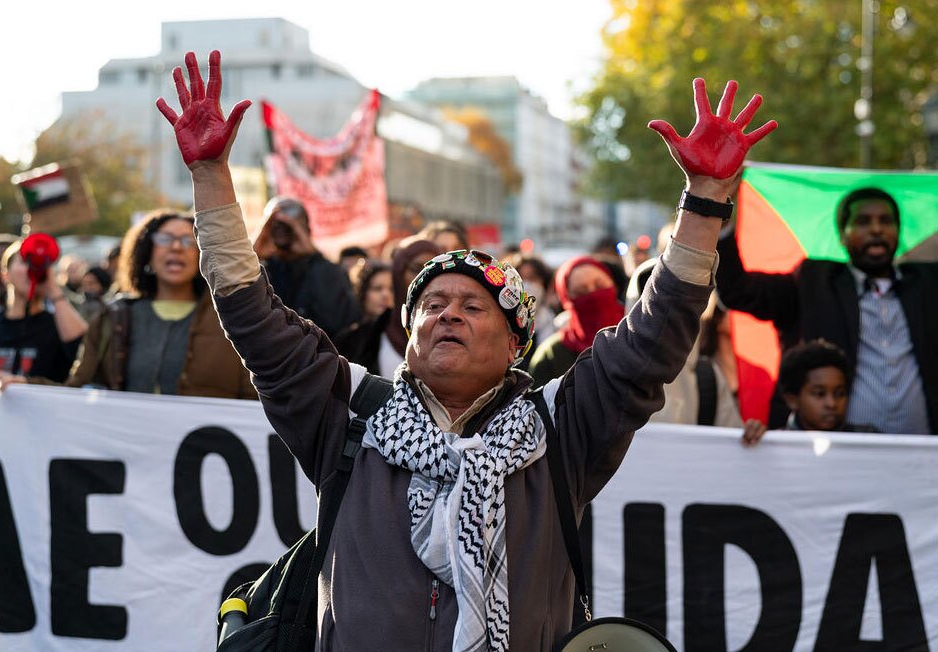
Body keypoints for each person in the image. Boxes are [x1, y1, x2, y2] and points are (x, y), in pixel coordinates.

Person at [157, 50, 775, 650]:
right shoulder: (349, 416)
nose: (449, 313)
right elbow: (254, 322)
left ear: (515, 346)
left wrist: (704, 200)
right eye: (432, 305)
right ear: (410, 337)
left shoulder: (561, 429)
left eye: (474, 307)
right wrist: (210, 177)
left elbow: (653, 341)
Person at [716, 187, 938, 434]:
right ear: (842, 235)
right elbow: (737, 291)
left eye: (886, 221)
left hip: (924, 448)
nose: (876, 229)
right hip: (829, 448)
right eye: (863, 222)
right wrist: (720, 211)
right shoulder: (812, 283)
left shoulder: (928, 283)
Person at [63, 209, 257, 399]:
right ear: (147, 251)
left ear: (202, 254)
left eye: (188, 241)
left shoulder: (233, 321)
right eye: (165, 239)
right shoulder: (113, 317)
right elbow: (77, 389)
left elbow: (254, 399)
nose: (176, 247)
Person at [0, 237, 88, 383]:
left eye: (38, 264)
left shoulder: (58, 326)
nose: (31, 269)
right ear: (5, 275)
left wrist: (53, 291)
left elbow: (86, 353)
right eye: (25, 262)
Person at [252, 196, 361, 339]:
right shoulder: (262, 271)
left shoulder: (327, 271)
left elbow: (338, 321)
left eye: (289, 226)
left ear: (306, 230)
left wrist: (313, 256)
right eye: (274, 226)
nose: (281, 231)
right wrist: (253, 255)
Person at [334, 239, 440, 377]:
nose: (425, 277)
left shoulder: (452, 329)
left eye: (434, 270)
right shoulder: (358, 339)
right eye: (416, 269)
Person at [741, 339, 876, 446]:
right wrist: (754, 441)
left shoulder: (869, 441)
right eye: (819, 394)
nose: (832, 404)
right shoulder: (772, 443)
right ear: (792, 400)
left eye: (839, 394)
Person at [527, 255, 625, 386]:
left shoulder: (637, 335)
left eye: (600, 285)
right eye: (581, 292)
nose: (593, 295)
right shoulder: (551, 355)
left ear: (614, 286)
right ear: (566, 300)